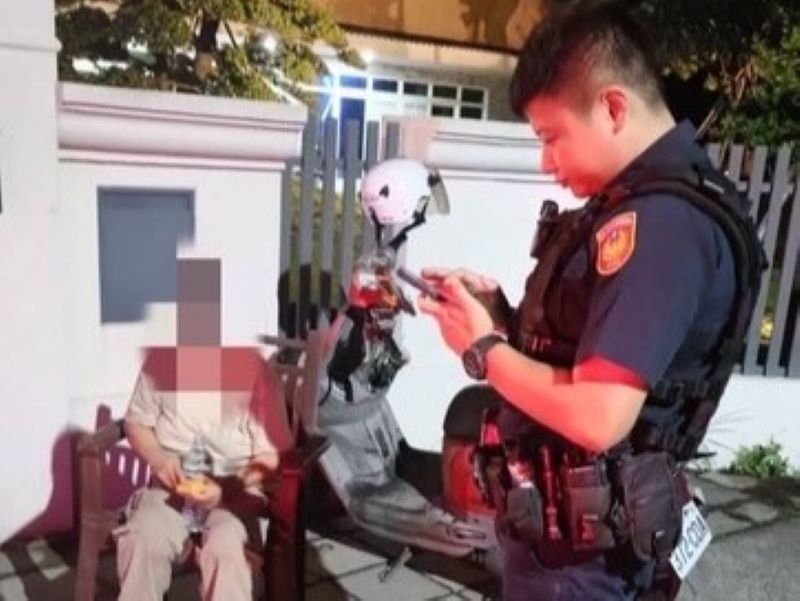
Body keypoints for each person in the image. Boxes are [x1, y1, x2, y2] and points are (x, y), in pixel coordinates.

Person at [418, 4, 762, 601]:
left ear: (612, 108)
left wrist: (483, 348)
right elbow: (582, 350)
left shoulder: (660, 226)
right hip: (577, 541)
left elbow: (599, 417)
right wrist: (503, 317)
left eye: (551, 137)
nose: (545, 161)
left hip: (580, 563)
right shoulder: (641, 204)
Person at [115, 258, 292, 601]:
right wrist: (158, 460)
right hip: (171, 489)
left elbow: (273, 455)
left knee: (225, 547)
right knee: (141, 537)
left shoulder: (255, 375)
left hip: (235, 491)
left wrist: (227, 487)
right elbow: (136, 423)